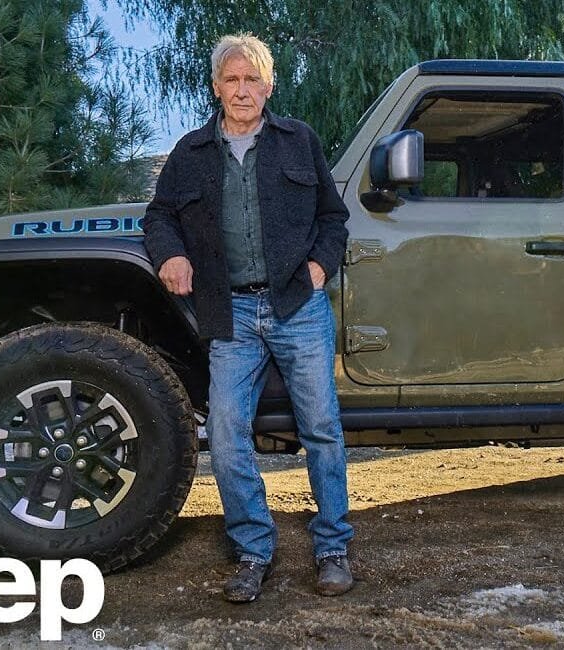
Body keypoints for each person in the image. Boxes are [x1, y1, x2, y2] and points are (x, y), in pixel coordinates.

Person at [142, 33, 353, 603]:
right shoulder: (190, 153)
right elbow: (159, 216)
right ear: (216, 87)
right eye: (231, 80)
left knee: (321, 429)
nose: (242, 90)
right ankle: (253, 550)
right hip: (229, 311)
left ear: (268, 84)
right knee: (229, 433)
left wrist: (317, 268)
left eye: (251, 79)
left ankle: (333, 546)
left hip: (297, 305)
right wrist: (172, 254)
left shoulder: (297, 141)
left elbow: (334, 218)